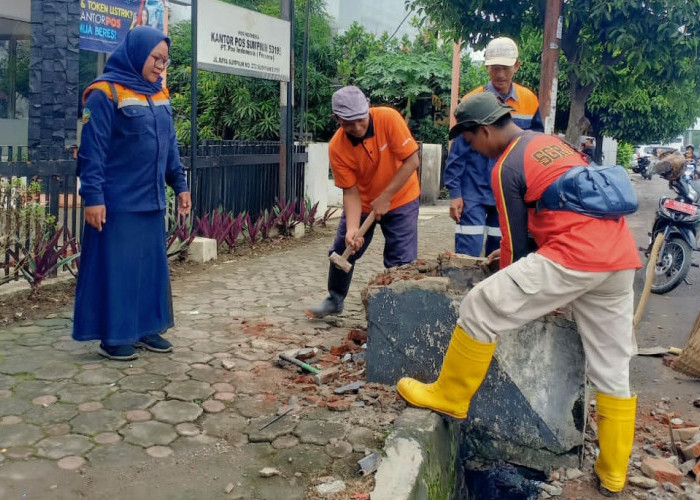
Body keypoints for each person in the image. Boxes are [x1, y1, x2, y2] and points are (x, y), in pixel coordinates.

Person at [397, 93, 642, 495]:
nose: (473, 148)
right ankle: (613, 473)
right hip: (617, 258)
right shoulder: (550, 143)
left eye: (471, 141)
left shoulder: (506, 164)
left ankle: (450, 396)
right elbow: (554, 207)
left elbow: (515, 248)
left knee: (481, 306)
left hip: (574, 256)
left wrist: (508, 278)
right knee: (612, 367)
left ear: (486, 130)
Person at [72, 26, 191, 361]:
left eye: (165, 61)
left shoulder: (159, 95)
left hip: (151, 201)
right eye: (156, 58)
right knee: (119, 270)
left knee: (149, 271)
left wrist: (179, 185)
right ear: (137, 52)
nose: (159, 66)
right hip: (117, 204)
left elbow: (170, 148)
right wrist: (92, 198)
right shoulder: (103, 93)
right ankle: (114, 336)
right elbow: (92, 152)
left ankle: (145, 329)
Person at [305, 86, 420, 318]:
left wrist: (386, 196)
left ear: (368, 108)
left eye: (361, 120)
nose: (357, 128)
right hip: (365, 202)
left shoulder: (388, 118)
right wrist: (352, 229)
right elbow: (350, 192)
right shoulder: (337, 147)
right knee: (342, 248)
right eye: (348, 123)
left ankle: (399, 309)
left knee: (401, 259)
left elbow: (412, 161)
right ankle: (335, 299)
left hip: (401, 197)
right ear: (336, 118)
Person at [444, 36, 542, 257]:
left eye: (506, 68)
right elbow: (457, 152)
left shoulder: (529, 100)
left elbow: (535, 146)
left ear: (516, 66)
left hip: (509, 188)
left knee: (502, 251)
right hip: (473, 189)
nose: (500, 74)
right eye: (495, 68)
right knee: (468, 249)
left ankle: (496, 292)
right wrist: (455, 193)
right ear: (486, 67)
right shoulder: (472, 101)